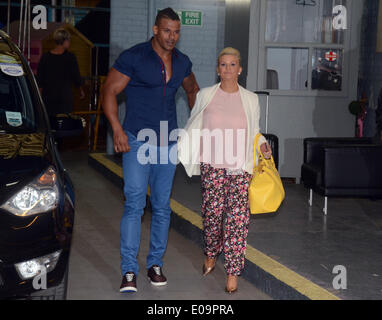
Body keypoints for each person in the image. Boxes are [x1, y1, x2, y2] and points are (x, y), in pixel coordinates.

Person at [102, 8, 199, 293]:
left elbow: (193, 91)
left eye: (176, 31)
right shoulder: (134, 57)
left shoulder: (182, 62)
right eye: (167, 30)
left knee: (161, 206)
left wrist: (194, 127)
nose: (172, 36)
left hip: (168, 143)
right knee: (134, 203)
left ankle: (155, 264)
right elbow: (109, 91)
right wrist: (117, 130)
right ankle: (129, 271)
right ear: (156, 30)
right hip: (137, 141)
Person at [178, 47, 272, 293]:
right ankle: (211, 251)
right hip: (213, 165)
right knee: (212, 216)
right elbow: (194, 124)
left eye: (232, 65)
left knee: (236, 221)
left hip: (240, 167)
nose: (227, 69)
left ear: (239, 69)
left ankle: (232, 272)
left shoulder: (251, 99)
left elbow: (255, 130)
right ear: (217, 69)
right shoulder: (206, 95)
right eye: (223, 65)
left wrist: (262, 145)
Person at [37, 28, 85, 122]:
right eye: (69, 40)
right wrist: (81, 90)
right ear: (65, 41)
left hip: (48, 96)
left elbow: (40, 79)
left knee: (50, 123)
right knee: (64, 123)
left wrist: (39, 95)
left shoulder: (45, 57)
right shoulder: (70, 57)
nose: (69, 43)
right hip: (65, 97)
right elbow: (76, 76)